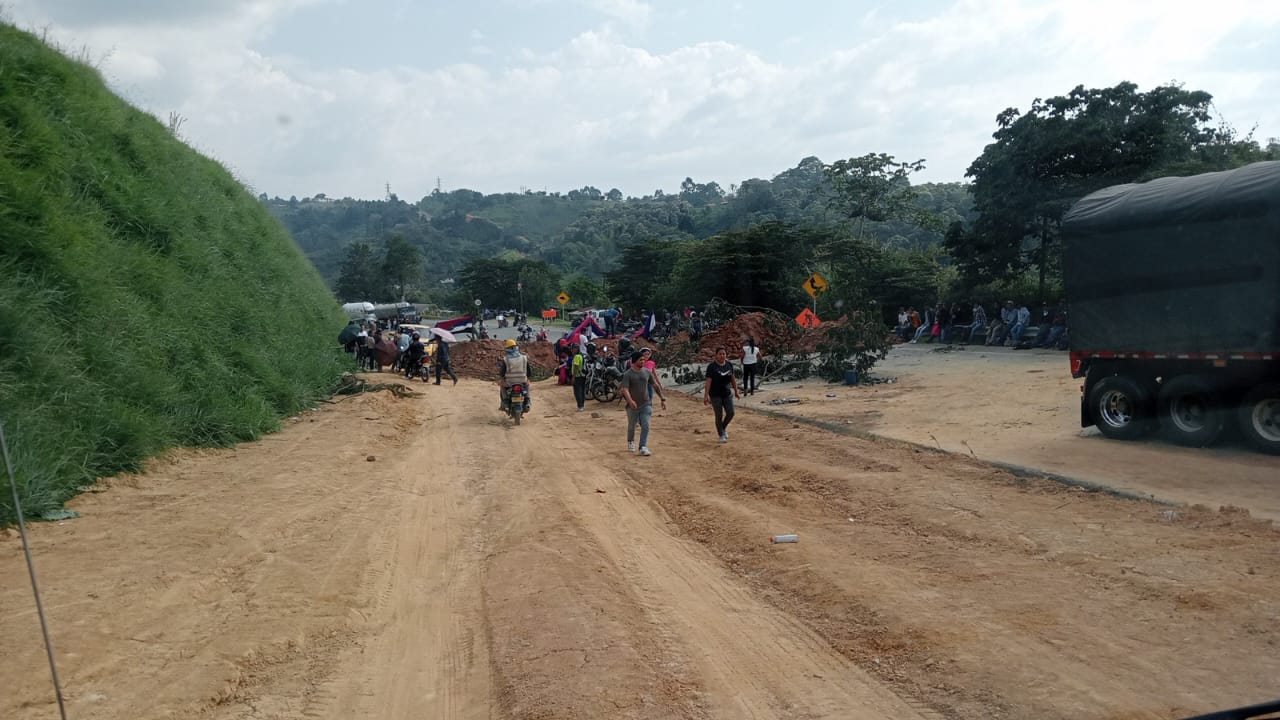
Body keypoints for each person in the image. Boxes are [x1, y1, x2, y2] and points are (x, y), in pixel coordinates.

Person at [620, 350, 666, 456]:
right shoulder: (628, 374)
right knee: (632, 426)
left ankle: (643, 447)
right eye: (640, 360)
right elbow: (625, 389)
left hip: (646, 404)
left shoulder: (647, 372)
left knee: (646, 425)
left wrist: (662, 398)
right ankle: (630, 441)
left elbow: (655, 385)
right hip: (632, 406)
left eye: (644, 360)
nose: (643, 361)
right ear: (635, 361)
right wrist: (630, 401)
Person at [704, 346, 741, 443]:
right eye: (720, 354)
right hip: (715, 395)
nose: (722, 356)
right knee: (719, 415)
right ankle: (721, 434)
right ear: (716, 355)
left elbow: (733, 378)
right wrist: (706, 396)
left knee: (731, 412)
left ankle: (723, 428)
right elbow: (708, 382)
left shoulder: (729, 365)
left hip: (727, 393)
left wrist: (736, 391)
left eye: (724, 354)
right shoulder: (712, 367)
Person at [496, 338, 531, 412]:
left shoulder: (506, 359)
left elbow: (502, 372)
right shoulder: (524, 358)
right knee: (527, 385)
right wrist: (527, 378)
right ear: (516, 347)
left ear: (508, 349)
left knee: (502, 386)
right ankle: (527, 401)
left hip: (510, 382)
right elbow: (529, 371)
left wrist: (501, 379)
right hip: (522, 380)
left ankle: (505, 402)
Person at [571, 344, 587, 411]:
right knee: (582, 391)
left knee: (577, 392)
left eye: (573, 349)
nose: (572, 350)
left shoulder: (577, 357)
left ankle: (580, 406)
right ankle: (582, 405)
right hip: (582, 375)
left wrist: (573, 377)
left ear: (576, 349)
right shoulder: (581, 355)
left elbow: (576, 367)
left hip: (577, 376)